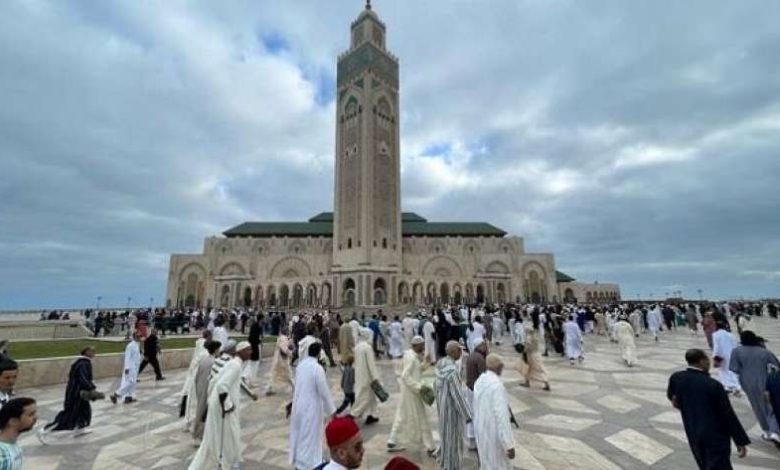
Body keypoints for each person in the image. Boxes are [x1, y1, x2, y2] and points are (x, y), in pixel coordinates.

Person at [667, 349, 750, 469]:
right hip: (715, 434)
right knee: (720, 465)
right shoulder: (713, 385)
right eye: (707, 359)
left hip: (693, 430)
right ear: (701, 361)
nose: (709, 362)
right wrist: (740, 440)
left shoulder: (676, 378)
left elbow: (672, 396)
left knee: (703, 462)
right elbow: (727, 414)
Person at [188, 341, 255, 470]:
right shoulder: (235, 365)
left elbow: (216, 380)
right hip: (222, 405)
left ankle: (230, 463)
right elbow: (221, 386)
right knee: (229, 435)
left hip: (219, 403)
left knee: (225, 435)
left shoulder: (235, 363)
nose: (250, 352)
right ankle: (227, 463)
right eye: (248, 350)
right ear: (239, 352)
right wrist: (228, 406)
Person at [37, 347, 100, 443]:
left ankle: (80, 429)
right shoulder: (83, 364)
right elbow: (83, 379)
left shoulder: (82, 362)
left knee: (85, 411)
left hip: (79, 393)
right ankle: (45, 430)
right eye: (92, 351)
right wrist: (91, 388)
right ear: (86, 352)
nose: (94, 353)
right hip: (76, 394)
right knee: (69, 414)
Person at [290, 342, 337, 470]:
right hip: (311, 408)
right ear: (318, 353)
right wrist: (332, 411)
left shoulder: (301, 365)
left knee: (300, 433)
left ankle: (300, 460)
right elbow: (324, 391)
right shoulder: (317, 368)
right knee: (310, 435)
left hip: (298, 405)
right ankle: (308, 464)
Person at [729, 331, 780, 443]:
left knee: (757, 406)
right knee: (771, 405)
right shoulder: (764, 352)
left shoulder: (736, 351)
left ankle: (767, 431)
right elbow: (777, 366)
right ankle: (775, 431)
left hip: (747, 382)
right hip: (764, 381)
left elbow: (734, 368)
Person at [387, 336, 435, 455]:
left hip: (407, 392)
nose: (423, 347)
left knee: (401, 415)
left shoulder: (410, 355)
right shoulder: (412, 358)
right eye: (422, 345)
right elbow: (405, 375)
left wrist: (426, 363)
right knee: (422, 417)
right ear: (416, 345)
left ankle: (392, 440)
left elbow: (417, 370)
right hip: (412, 392)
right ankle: (431, 447)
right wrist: (419, 387)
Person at [473, 354, 516, 470]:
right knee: (499, 465)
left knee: (486, 463)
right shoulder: (497, 386)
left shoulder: (479, 381)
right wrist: (509, 444)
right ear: (499, 367)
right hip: (494, 433)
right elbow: (501, 416)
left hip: (481, 430)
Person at [435, 341, 472, 470]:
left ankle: (445, 464)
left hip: (443, 408)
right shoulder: (452, 371)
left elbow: (436, 387)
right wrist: (467, 415)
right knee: (454, 442)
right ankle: (452, 466)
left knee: (446, 439)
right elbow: (458, 396)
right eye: (459, 350)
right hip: (452, 412)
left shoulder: (441, 364)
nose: (461, 352)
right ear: (453, 352)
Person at [180, 330, 212, 431]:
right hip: (197, 377)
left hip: (194, 375)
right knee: (194, 401)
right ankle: (192, 424)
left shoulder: (199, 345)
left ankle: (188, 423)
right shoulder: (204, 351)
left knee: (191, 401)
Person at [191, 340, 221, 442]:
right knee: (202, 412)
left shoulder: (204, 359)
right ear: (216, 349)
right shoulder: (213, 362)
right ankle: (197, 435)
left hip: (200, 386)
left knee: (201, 410)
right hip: (206, 389)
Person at [350, 328, 381, 425]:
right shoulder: (367, 348)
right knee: (364, 397)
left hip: (359, 374)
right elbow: (371, 364)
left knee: (371, 397)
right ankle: (353, 414)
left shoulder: (357, 347)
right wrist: (375, 378)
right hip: (367, 377)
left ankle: (371, 415)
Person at [0, 397, 37, 470]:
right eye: (30, 415)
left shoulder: (15, 446)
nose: (36, 417)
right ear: (13, 421)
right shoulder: (2, 454)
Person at [464, 339, 487, 449]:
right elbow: (483, 376)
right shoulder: (479, 358)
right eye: (483, 345)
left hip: (470, 388)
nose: (485, 346)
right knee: (477, 414)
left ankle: (472, 440)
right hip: (475, 390)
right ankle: (477, 440)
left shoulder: (471, 356)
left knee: (472, 413)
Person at [517, 320, 550, 390]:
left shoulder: (529, 337)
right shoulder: (535, 336)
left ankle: (546, 382)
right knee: (530, 369)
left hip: (531, 355)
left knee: (536, 369)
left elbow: (528, 347)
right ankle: (527, 382)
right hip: (536, 354)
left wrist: (523, 351)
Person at [110, 331, 142, 404]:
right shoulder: (130, 346)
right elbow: (127, 357)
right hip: (130, 368)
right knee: (129, 382)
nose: (139, 338)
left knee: (133, 383)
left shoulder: (137, 345)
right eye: (137, 336)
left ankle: (128, 397)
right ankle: (116, 394)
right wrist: (127, 368)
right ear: (134, 337)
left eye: (140, 336)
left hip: (135, 367)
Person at [712, 322, 741, 395]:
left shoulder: (715, 335)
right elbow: (736, 344)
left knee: (723, 371)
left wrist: (715, 356)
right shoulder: (731, 335)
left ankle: (728, 387)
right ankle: (736, 386)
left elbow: (716, 347)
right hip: (732, 354)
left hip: (721, 355)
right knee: (732, 371)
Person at [264, 328, 293, 396]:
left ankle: (269, 388)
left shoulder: (281, 338)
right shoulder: (284, 338)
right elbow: (284, 349)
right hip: (282, 359)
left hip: (277, 359)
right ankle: (295, 387)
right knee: (288, 374)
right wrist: (290, 353)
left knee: (273, 374)